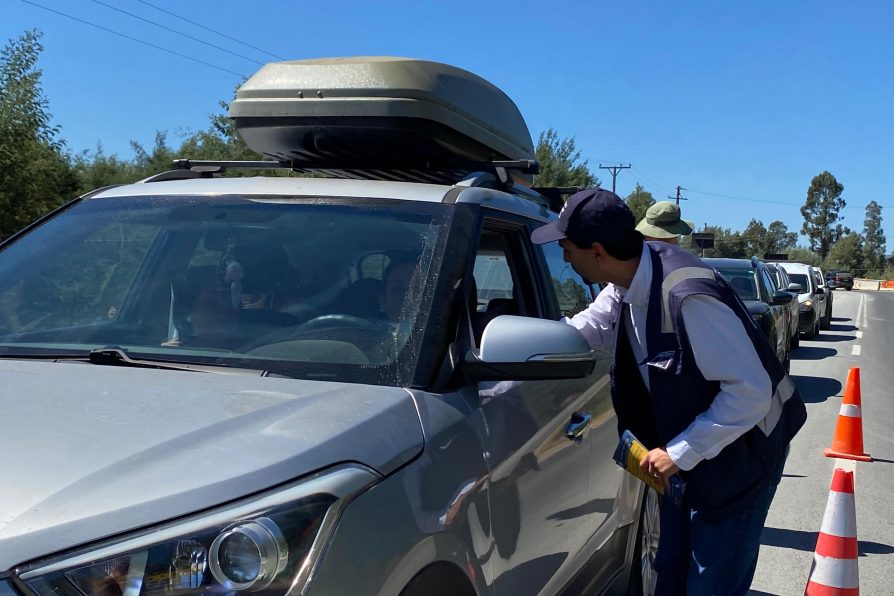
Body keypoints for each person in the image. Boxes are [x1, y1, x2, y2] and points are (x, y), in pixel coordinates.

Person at [530, 188, 806, 595]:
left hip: (742, 458)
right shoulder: (623, 284)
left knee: (711, 584)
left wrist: (677, 453)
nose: (564, 258)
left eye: (567, 248)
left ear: (597, 251)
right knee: (670, 570)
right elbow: (588, 330)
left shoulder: (687, 297)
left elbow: (750, 393)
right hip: (687, 455)